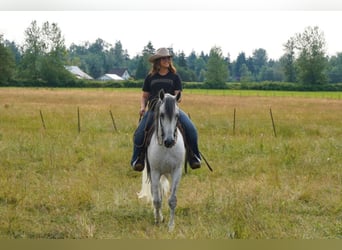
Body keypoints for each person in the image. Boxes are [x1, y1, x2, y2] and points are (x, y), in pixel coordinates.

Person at [130, 47, 201, 171]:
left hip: (172, 111)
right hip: (153, 110)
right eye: (164, 58)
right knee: (139, 132)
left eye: (168, 58)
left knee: (191, 128)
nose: (166, 60)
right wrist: (142, 107)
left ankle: (194, 156)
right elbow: (144, 96)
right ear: (157, 61)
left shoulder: (175, 77)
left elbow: (178, 96)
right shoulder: (150, 77)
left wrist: (172, 99)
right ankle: (137, 159)